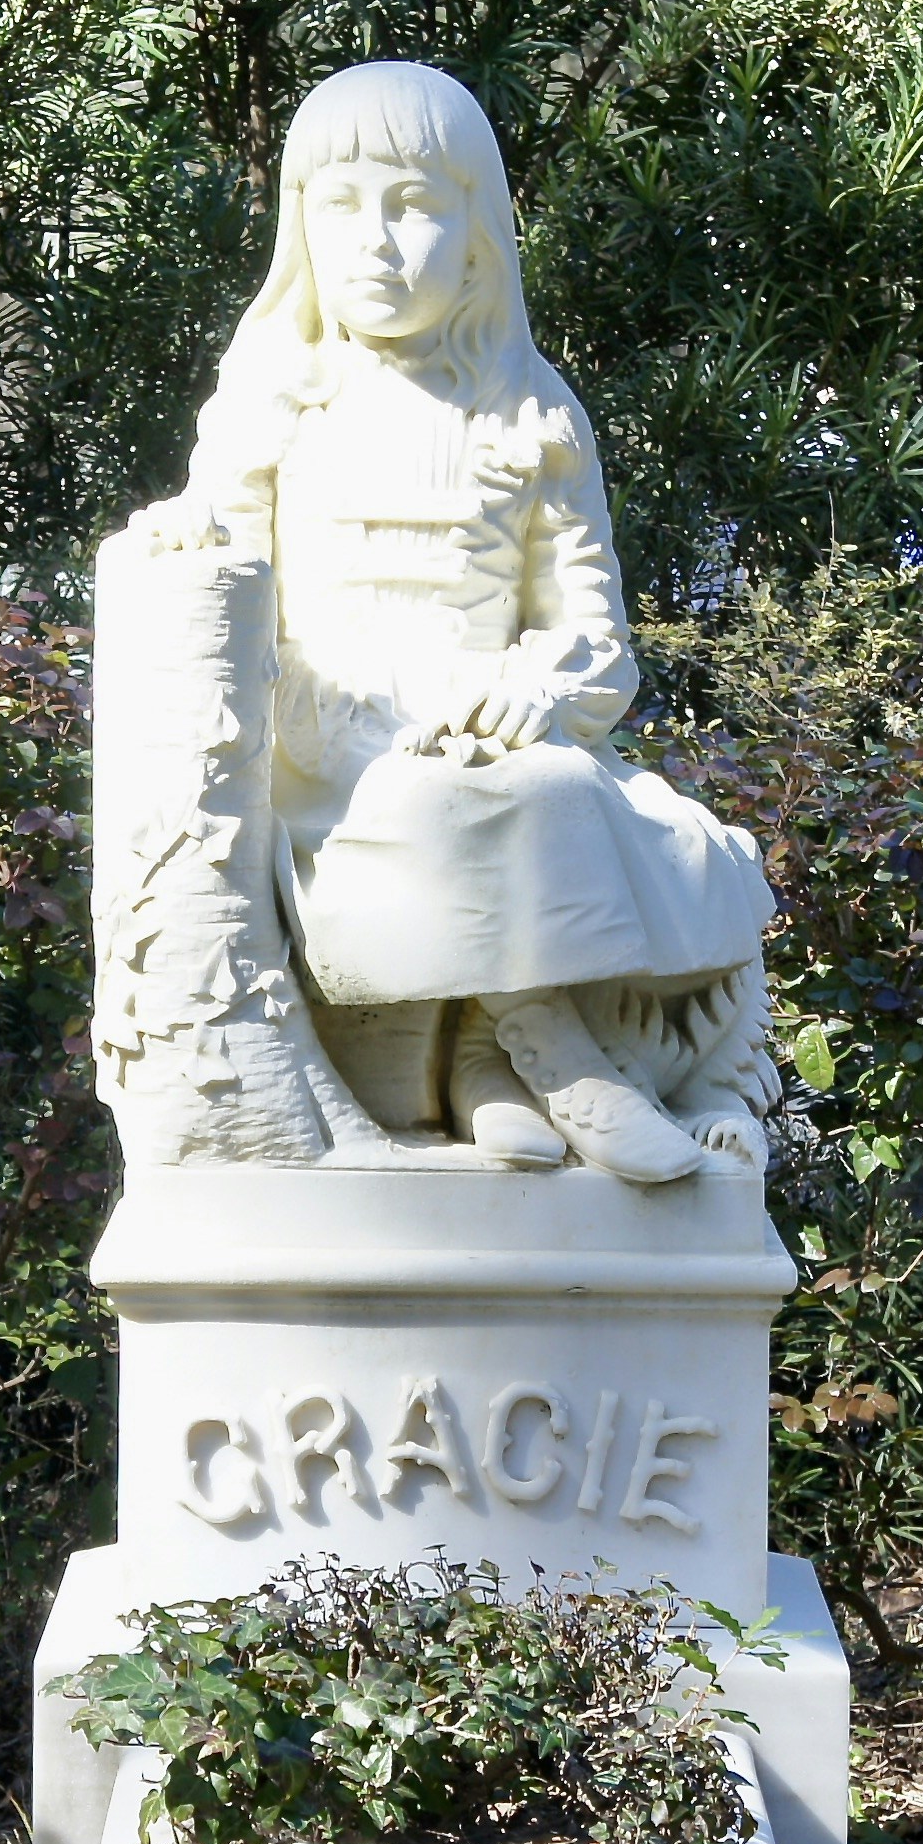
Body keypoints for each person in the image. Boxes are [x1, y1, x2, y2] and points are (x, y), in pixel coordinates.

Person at [143, 59, 770, 1181]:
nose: (375, 242)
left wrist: (539, 684)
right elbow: (214, 550)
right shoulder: (271, 401)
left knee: (633, 822)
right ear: (301, 227)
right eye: (340, 206)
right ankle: (546, 1056)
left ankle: (495, 1056)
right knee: (479, 797)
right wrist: (185, 529)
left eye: (415, 204)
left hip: (493, 725)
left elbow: (595, 639)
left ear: (477, 227)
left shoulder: (531, 409)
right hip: (330, 738)